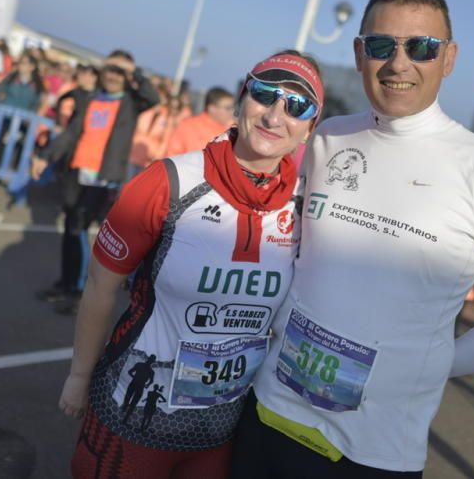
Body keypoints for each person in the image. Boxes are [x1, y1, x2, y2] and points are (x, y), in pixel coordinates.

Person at [231, 0, 474, 478]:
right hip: (267, 415)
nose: (399, 64)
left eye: (422, 48)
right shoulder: (328, 138)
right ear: (361, 54)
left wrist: (428, 367)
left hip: (372, 453)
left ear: (448, 59)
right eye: (382, 45)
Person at [58, 51, 325, 479]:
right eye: (265, 95)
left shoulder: (304, 206)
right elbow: (100, 286)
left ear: (310, 127)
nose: (276, 115)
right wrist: (78, 375)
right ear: (242, 101)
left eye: (297, 106)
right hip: (134, 417)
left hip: (220, 430)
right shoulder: (169, 181)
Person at [30, 50, 159, 315]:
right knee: (69, 228)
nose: (113, 76)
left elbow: (152, 97)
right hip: (77, 172)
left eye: (119, 72)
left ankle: (80, 292)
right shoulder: (91, 99)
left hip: (102, 179)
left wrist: (132, 71)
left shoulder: (131, 102)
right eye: (110, 69)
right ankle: (65, 284)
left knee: (79, 228)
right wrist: (45, 156)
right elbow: (71, 133)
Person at [164, 86, 235, 157]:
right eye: (227, 108)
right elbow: (172, 156)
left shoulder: (231, 132)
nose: (232, 112)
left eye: (232, 108)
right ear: (212, 108)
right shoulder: (188, 126)